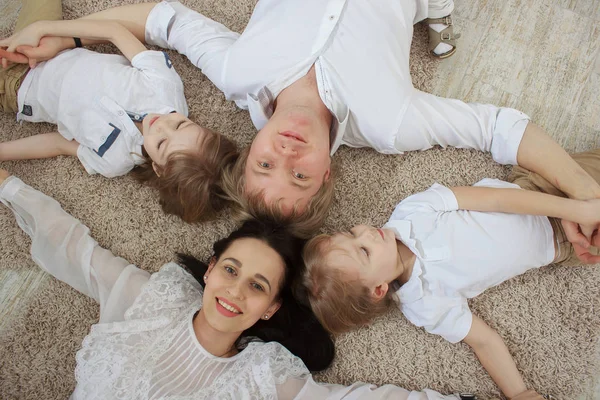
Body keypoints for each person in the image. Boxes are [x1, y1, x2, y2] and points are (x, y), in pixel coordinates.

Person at [2, 0, 599, 248]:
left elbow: (163, 18)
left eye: (267, 164)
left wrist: (62, 32)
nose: (287, 152)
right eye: (300, 175)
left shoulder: (237, 72)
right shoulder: (390, 125)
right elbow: (501, 129)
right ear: (328, 173)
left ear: (252, 144)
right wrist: (586, 195)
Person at [0, 167, 481, 400]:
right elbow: (74, 249)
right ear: (210, 269)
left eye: (256, 286)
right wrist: (9, 186)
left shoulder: (263, 376)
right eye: (230, 270)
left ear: (270, 308)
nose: (233, 292)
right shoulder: (151, 299)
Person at [298, 149, 600, 400]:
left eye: (351, 233)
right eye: (363, 250)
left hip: (539, 190)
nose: (365, 233)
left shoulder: (412, 212)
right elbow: (483, 341)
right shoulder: (425, 304)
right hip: (557, 245)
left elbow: (497, 200)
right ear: (378, 289)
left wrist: (574, 210)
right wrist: (518, 392)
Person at [0, 0, 238, 223]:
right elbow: (114, 31)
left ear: (157, 167)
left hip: (16, 90)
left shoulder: (113, 160)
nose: (161, 123)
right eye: (181, 124)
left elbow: (59, 144)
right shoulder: (165, 86)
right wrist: (44, 29)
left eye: (162, 143)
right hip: (52, 45)